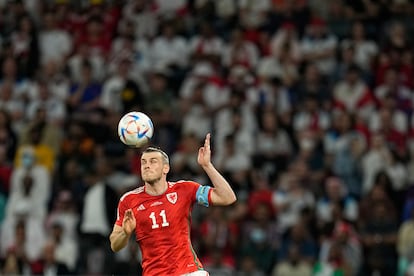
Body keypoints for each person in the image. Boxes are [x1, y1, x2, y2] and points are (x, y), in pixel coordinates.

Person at [109, 133, 237, 275]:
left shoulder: (184, 189)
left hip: (188, 271)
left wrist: (207, 166)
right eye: (143, 162)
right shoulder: (129, 200)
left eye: (153, 161)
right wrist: (126, 234)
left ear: (166, 168)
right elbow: (115, 245)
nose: (147, 166)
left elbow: (227, 197)